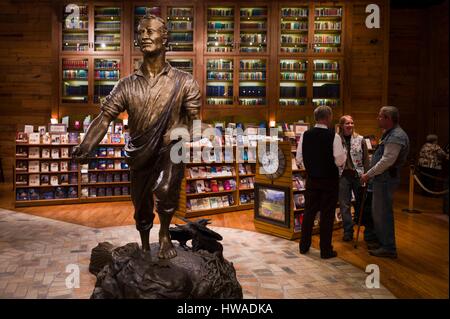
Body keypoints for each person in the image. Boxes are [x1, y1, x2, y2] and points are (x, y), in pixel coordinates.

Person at [72, 14, 201, 259]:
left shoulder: (185, 82)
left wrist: (177, 133)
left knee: (165, 190)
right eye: (140, 32)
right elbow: (105, 117)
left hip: (170, 149)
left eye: (150, 31)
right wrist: (86, 144)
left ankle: (164, 235)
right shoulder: (126, 85)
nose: (144, 36)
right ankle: (143, 244)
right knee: (141, 205)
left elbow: (196, 124)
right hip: (139, 153)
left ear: (165, 38)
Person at [296, 106, 346, 259]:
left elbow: (299, 159)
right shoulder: (334, 136)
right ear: (329, 117)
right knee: (327, 215)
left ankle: (304, 246)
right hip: (329, 181)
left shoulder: (306, 135)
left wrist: (311, 168)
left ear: (315, 117)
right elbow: (339, 160)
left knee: (309, 213)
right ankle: (325, 250)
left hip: (312, 180)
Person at [361, 106, 410, 258]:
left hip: (385, 179)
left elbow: (387, 161)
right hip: (382, 179)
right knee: (379, 213)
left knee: (383, 214)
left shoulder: (396, 136)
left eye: (380, 116)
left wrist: (368, 174)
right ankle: (384, 243)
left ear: (388, 119)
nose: (378, 119)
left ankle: (388, 247)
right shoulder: (389, 133)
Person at [338, 115, 370, 242]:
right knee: (344, 205)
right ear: (341, 125)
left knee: (361, 203)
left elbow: (366, 159)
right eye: (347, 123)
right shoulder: (336, 139)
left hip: (358, 175)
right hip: (343, 175)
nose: (350, 125)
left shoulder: (360, 139)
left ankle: (367, 231)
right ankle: (348, 231)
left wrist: (367, 174)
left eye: (352, 123)